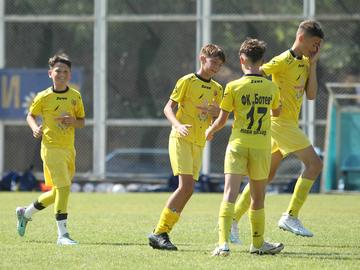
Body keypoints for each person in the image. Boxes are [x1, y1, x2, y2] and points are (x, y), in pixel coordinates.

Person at [230, 20, 324, 243]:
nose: (316, 48)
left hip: (287, 125)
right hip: (280, 123)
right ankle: (290, 216)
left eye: (320, 44)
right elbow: (257, 72)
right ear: (301, 38)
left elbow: (311, 95)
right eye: (315, 43)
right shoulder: (283, 60)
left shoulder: (305, 62)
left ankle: (232, 219)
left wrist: (313, 64)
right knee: (315, 164)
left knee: (263, 177)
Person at [206, 38, 283, 256]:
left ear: (242, 59)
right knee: (258, 198)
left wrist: (209, 131)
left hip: (237, 145)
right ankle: (257, 244)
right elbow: (276, 112)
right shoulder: (271, 87)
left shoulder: (232, 86)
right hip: (261, 147)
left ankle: (222, 244)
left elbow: (221, 121)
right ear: (262, 60)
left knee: (229, 194)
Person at [148, 44, 225, 250]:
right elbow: (168, 108)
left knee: (189, 189)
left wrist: (216, 115)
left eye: (219, 65)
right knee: (185, 186)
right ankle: (159, 232)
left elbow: (219, 116)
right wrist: (178, 124)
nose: (216, 67)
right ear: (202, 58)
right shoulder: (187, 81)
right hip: (180, 138)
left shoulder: (217, 89)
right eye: (214, 62)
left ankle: (161, 232)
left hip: (198, 142)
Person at [16, 53, 85, 245]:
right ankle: (62, 235)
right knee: (64, 188)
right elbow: (31, 116)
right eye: (58, 71)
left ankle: (25, 213)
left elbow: (82, 122)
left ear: (69, 75)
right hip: (51, 147)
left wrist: (73, 121)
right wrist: (35, 127)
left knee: (57, 192)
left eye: (65, 71)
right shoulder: (43, 96)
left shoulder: (75, 96)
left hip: (69, 149)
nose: (61, 74)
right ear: (50, 73)